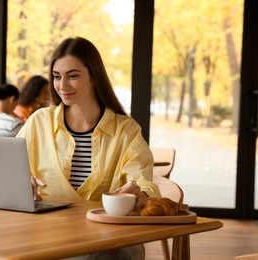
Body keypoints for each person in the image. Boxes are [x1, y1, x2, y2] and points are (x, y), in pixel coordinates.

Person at [16, 37, 161, 259]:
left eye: (73, 76)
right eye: (57, 77)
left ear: (94, 76)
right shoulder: (38, 122)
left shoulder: (126, 130)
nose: (62, 86)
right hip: (46, 237)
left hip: (106, 241)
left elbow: (145, 187)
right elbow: (10, 172)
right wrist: (20, 182)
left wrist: (139, 194)